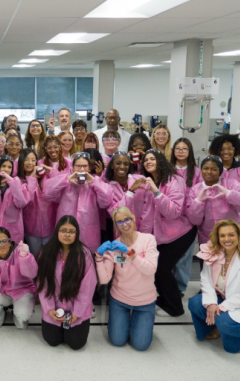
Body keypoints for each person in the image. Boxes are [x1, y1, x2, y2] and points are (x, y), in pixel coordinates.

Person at [125, 150, 196, 317]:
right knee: (154, 267)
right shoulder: (143, 182)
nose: (148, 162)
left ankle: (175, 308)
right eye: (146, 160)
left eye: (152, 159)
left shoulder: (174, 180)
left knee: (162, 269)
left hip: (180, 233)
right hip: (160, 235)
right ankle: (164, 300)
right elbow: (142, 212)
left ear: (161, 161)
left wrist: (156, 191)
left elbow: (173, 212)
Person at [188, 219, 240, 354]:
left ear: (239, 236)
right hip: (223, 297)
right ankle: (213, 328)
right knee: (195, 303)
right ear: (218, 238)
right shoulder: (214, 255)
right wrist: (212, 303)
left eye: (231, 235)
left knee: (229, 344)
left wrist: (220, 307)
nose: (227, 239)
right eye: (222, 235)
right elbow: (206, 280)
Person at [95, 207, 158, 351]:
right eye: (119, 222)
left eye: (127, 219)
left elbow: (150, 269)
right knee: (117, 341)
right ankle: (126, 322)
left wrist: (131, 253)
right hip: (120, 300)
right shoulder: (114, 247)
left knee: (141, 345)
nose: (124, 224)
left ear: (134, 218)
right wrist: (99, 257)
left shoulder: (148, 240)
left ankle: (137, 321)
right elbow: (104, 280)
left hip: (145, 302)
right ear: (115, 225)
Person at [37, 216, 97, 350]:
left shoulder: (84, 254)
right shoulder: (46, 253)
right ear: (57, 231)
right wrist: (49, 308)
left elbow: (87, 288)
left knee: (76, 344)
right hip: (54, 309)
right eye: (63, 230)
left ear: (77, 234)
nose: (67, 234)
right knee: (52, 341)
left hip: (77, 311)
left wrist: (77, 313)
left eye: (71, 231)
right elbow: (43, 283)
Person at [45, 152, 112, 253]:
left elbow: (106, 201)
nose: (81, 169)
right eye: (78, 166)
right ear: (72, 166)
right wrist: (66, 179)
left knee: (86, 259)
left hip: (88, 231)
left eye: (85, 166)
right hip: (66, 228)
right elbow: (48, 193)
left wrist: (94, 182)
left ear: (89, 167)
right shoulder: (65, 180)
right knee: (64, 255)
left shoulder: (94, 182)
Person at [186, 156, 240, 248]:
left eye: (214, 169)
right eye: (205, 168)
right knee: (210, 262)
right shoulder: (195, 190)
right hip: (209, 239)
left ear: (220, 171)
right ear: (201, 170)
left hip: (234, 238)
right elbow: (194, 220)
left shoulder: (232, 185)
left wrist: (229, 193)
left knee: (235, 262)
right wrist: (198, 201)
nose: (209, 172)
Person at [0, 227, 37, 329]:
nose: (1, 245)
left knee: (23, 315)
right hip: (2, 292)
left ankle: (18, 315)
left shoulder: (19, 251)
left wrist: (25, 258)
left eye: (5, 241)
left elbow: (32, 274)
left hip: (22, 291)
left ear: (10, 242)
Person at [171, 137, 202, 295]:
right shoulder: (168, 169)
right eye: (178, 149)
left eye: (184, 149)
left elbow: (200, 195)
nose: (181, 152)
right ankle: (167, 286)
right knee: (168, 256)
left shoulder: (197, 172)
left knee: (184, 256)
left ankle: (180, 287)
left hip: (188, 221)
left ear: (189, 152)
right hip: (169, 220)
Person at [21, 148, 56, 256]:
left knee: (48, 256)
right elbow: (27, 199)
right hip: (31, 227)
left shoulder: (44, 177)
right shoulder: (18, 179)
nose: (30, 163)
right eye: (27, 159)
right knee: (35, 255)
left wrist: (50, 169)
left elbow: (58, 182)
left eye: (33, 160)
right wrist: (32, 177)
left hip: (49, 223)